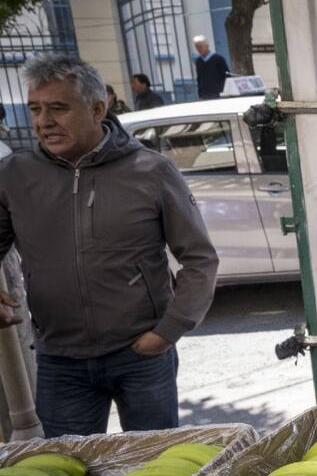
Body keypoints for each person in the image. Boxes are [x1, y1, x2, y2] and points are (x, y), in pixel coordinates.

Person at [0, 54, 219, 437]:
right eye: (35, 109)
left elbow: (199, 259)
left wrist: (169, 330)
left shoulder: (150, 171)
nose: (43, 121)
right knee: (67, 474)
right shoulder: (15, 176)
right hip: (59, 359)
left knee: (152, 470)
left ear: (98, 108)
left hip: (141, 353)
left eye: (58, 108)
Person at [192, 36, 231, 100]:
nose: (199, 49)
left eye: (200, 46)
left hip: (218, 93)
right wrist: (200, 93)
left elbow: (226, 76)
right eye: (197, 47)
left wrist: (225, 92)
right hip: (205, 94)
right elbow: (199, 78)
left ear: (207, 46)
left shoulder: (218, 59)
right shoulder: (198, 61)